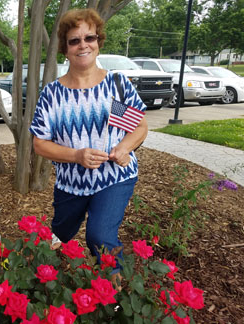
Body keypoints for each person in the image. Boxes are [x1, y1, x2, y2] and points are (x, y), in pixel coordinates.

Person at [30, 9, 148, 283]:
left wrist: (124, 148)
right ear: (65, 48)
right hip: (71, 183)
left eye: (89, 38)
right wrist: (77, 155)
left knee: (100, 235)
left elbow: (138, 126)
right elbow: (40, 145)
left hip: (113, 178)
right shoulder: (53, 95)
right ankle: (42, 275)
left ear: (98, 42)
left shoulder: (114, 87)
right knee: (60, 232)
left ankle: (114, 295)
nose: (83, 45)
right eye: (74, 40)